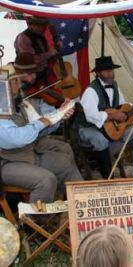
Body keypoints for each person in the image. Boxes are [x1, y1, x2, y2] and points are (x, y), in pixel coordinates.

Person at [0, 54, 82, 204]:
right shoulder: (1, 112)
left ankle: (82, 204)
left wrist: (58, 116)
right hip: (5, 163)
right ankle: (35, 224)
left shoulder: (18, 105)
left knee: (64, 162)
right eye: (15, 83)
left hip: (25, 155)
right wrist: (43, 121)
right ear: (5, 87)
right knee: (46, 180)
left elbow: (35, 132)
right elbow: (17, 139)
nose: (19, 86)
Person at [79, 56, 133, 178]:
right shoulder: (91, 91)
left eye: (111, 70)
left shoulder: (115, 85)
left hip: (112, 128)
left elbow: (122, 106)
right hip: (90, 127)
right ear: (98, 73)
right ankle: (108, 179)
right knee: (100, 140)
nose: (110, 74)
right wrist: (111, 115)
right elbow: (90, 116)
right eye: (106, 71)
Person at [14, 15, 57, 81]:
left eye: (43, 25)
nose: (41, 28)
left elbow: (43, 52)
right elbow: (32, 59)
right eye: (38, 25)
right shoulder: (23, 38)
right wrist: (50, 54)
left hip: (41, 73)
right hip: (28, 76)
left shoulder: (40, 35)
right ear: (32, 24)